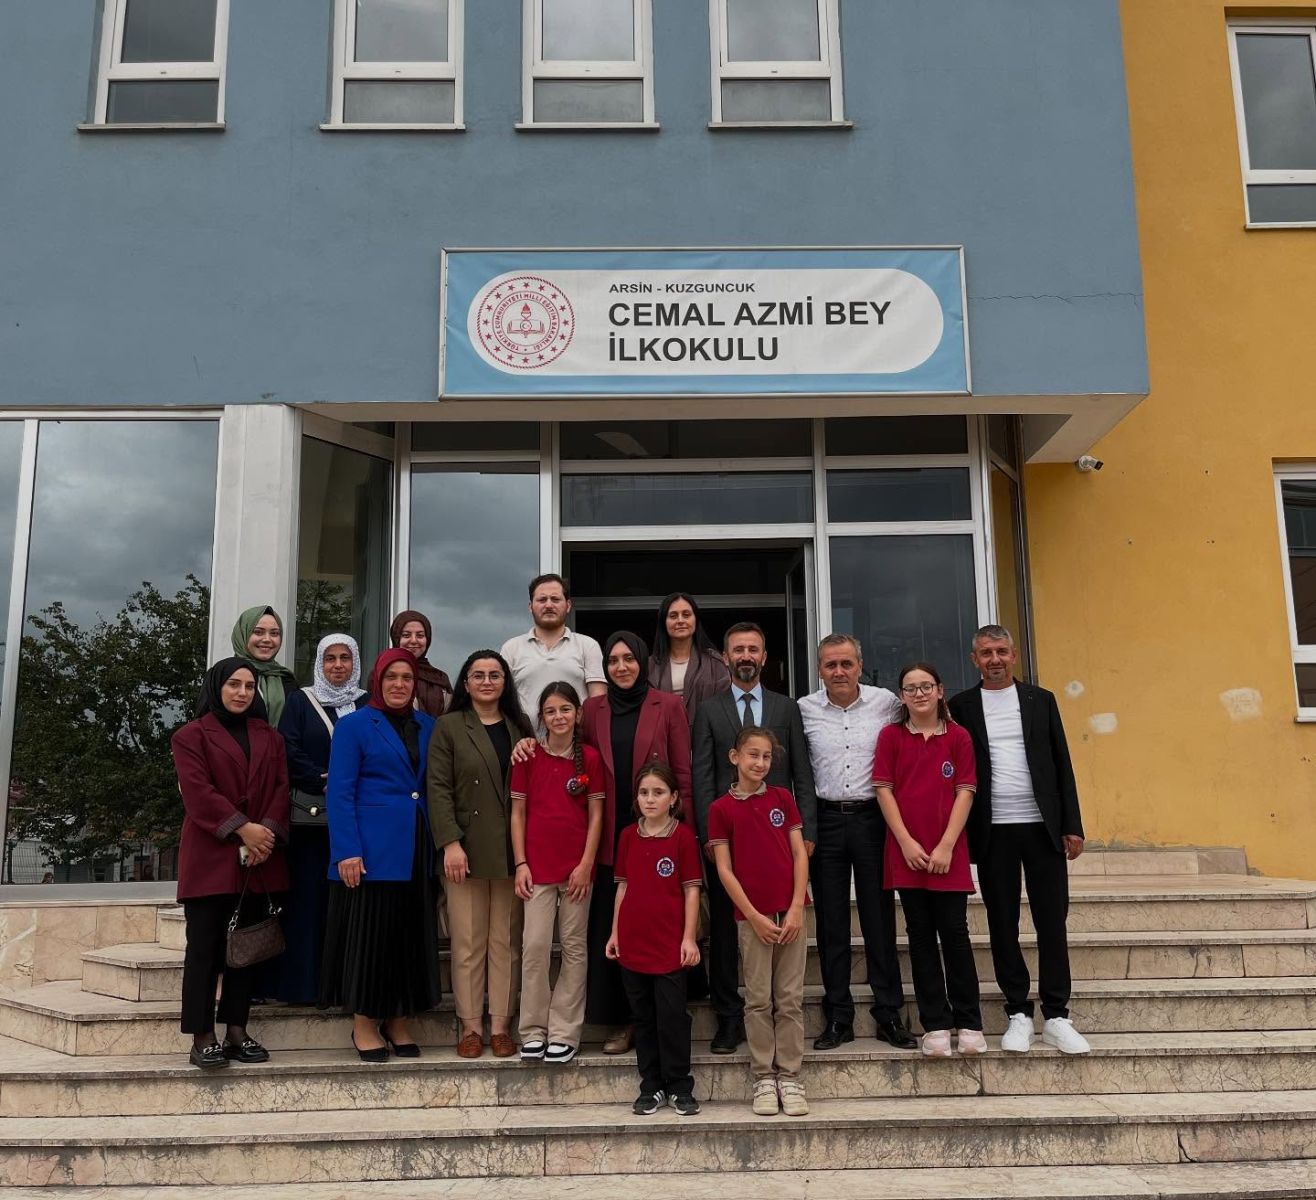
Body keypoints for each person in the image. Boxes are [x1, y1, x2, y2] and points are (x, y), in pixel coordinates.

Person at [948, 624, 1090, 1055]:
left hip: (1041, 826)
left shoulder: (1040, 700)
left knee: (1052, 920)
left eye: (1001, 651)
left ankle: (1057, 1014)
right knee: (1002, 921)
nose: (994, 659)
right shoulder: (961, 706)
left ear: (1013, 655)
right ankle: (1018, 1012)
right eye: (986, 653)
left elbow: (1061, 761)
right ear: (974, 659)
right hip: (993, 829)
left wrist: (1072, 824)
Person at [692, 621, 816, 1054]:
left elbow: (802, 771)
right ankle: (729, 1019)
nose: (746, 656)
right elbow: (702, 775)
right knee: (728, 933)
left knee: (782, 926)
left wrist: (808, 830)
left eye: (753, 649)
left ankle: (781, 1019)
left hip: (780, 840)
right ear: (725, 657)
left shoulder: (787, 708)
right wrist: (709, 837)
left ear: (764, 657)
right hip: (728, 840)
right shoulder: (709, 710)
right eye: (738, 649)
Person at [320, 648, 442, 1062]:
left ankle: (398, 1019)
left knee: (408, 938)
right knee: (372, 939)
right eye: (392, 677)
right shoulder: (354, 725)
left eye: (407, 678)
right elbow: (339, 792)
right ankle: (364, 1023)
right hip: (371, 851)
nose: (399, 685)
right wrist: (347, 851)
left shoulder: (428, 725)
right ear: (377, 681)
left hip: (416, 847)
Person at [799, 634, 917, 1051]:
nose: (839, 672)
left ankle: (889, 1014)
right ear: (820, 669)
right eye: (831, 664)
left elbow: (926, 721)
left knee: (878, 919)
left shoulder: (887, 704)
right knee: (831, 923)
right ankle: (838, 1017)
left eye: (846, 663)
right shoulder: (804, 710)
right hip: (826, 821)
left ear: (860, 666)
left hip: (872, 820)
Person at [172, 658, 290, 1070]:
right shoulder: (190, 735)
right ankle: (202, 1037)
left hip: (259, 858)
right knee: (204, 951)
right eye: (234, 684)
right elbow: (198, 793)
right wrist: (243, 829)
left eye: (249, 686)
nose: (242, 692)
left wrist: (265, 834)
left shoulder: (270, 736)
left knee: (247, 950)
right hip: (211, 856)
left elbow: (281, 787)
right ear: (217, 687)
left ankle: (236, 1031)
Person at [581, 631, 693, 1054]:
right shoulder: (592, 709)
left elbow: (681, 770)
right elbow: (582, 764)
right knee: (616, 924)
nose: (621, 667)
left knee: (656, 922)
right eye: (613, 660)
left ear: (643, 662)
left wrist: (684, 827)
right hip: (610, 831)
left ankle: (661, 1017)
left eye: (629, 658)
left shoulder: (669, 705)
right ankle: (621, 1020)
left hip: (659, 831)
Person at [872, 662, 983, 1058]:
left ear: (939, 690)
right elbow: (884, 790)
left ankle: (969, 1021)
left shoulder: (958, 736)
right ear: (901, 696)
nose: (918, 693)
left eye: (925, 686)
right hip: (908, 854)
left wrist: (947, 845)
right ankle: (934, 1023)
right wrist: (905, 842)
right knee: (919, 936)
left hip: (948, 852)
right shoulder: (890, 737)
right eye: (910, 688)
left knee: (954, 933)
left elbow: (965, 791)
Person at [428, 649, 534, 1059]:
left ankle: (502, 1026)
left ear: (505, 682)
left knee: (505, 942)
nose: (487, 682)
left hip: (510, 849)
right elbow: (438, 788)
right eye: (478, 675)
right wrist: (450, 843)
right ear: (466, 683)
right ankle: (471, 1026)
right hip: (465, 849)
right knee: (468, 943)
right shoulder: (449, 726)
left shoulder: (520, 728)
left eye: (494, 675)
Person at [708, 727, 811, 1117]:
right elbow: (724, 869)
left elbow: (799, 854)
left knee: (789, 999)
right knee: (757, 1000)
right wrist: (752, 915)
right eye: (753, 754)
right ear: (735, 757)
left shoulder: (783, 799)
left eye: (766, 756)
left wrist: (797, 906)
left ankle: (791, 1076)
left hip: (791, 914)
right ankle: (764, 1076)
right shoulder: (721, 809)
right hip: (752, 918)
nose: (760, 763)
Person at [262, 634, 366, 1004]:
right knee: (308, 903)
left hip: (356, 821)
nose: (338, 665)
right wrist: (328, 780)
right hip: (313, 823)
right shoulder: (301, 701)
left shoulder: (366, 702)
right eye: (330, 658)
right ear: (320, 663)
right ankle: (304, 987)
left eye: (345, 658)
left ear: (355, 662)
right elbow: (287, 748)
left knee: (348, 905)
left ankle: (342, 986)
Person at [511, 682, 605, 1064]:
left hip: (576, 871)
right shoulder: (528, 756)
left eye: (565, 709)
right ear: (542, 717)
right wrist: (520, 863)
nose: (559, 717)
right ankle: (533, 1029)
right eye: (550, 711)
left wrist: (586, 864)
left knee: (574, 948)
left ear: (578, 714)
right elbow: (518, 814)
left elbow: (596, 815)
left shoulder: (591, 759)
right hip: (536, 869)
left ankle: (565, 1032)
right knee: (534, 946)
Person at [606, 762, 703, 1117]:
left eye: (658, 792)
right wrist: (615, 932)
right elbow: (623, 888)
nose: (650, 799)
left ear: (673, 798)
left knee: (672, 1016)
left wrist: (689, 939)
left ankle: (679, 1086)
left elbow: (691, 891)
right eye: (644, 793)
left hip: (670, 944)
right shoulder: (628, 836)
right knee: (643, 1017)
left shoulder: (683, 837)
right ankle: (651, 1085)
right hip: (633, 940)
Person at [501, 574, 606, 718]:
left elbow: (598, 702)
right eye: (542, 600)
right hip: (523, 733)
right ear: (530, 606)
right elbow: (501, 699)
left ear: (568, 605)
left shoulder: (588, 646)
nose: (549, 605)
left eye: (555, 599)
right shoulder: (511, 648)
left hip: (577, 733)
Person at [648, 592, 731, 726]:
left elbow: (725, 708)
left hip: (705, 736)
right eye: (673, 616)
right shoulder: (650, 666)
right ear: (664, 622)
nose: (680, 620)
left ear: (695, 620)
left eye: (686, 615)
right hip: (662, 736)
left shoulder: (714, 662)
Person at [230, 606, 298, 726]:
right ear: (243, 634)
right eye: (258, 632)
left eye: (274, 633)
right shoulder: (224, 675)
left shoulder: (287, 680)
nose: (267, 639)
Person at [390, 609, 454, 717]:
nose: (413, 640)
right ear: (396, 638)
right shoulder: (382, 673)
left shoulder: (439, 678)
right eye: (406, 635)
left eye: (420, 636)